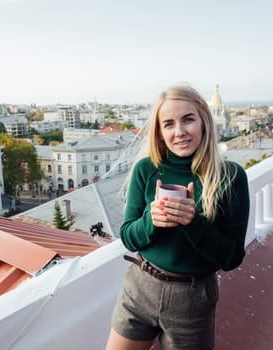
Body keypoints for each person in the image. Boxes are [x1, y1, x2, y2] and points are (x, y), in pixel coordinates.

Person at [106, 84, 250, 350]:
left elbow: (232, 257)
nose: (179, 131)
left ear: (204, 121)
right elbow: (128, 236)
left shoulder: (231, 177)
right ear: (160, 132)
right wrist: (151, 221)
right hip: (139, 286)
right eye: (168, 124)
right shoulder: (146, 169)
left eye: (188, 120)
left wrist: (192, 223)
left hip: (192, 297)